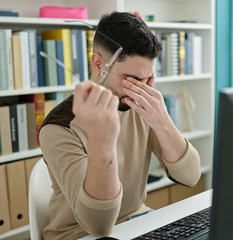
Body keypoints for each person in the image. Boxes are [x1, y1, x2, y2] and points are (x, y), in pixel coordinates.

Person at [39, 12, 201, 239]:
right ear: (98, 64)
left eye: (149, 79)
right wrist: (102, 141)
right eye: (133, 80)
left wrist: (162, 122)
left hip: (139, 222)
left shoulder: (142, 105)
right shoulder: (58, 127)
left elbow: (190, 176)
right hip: (78, 234)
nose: (142, 90)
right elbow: (98, 225)